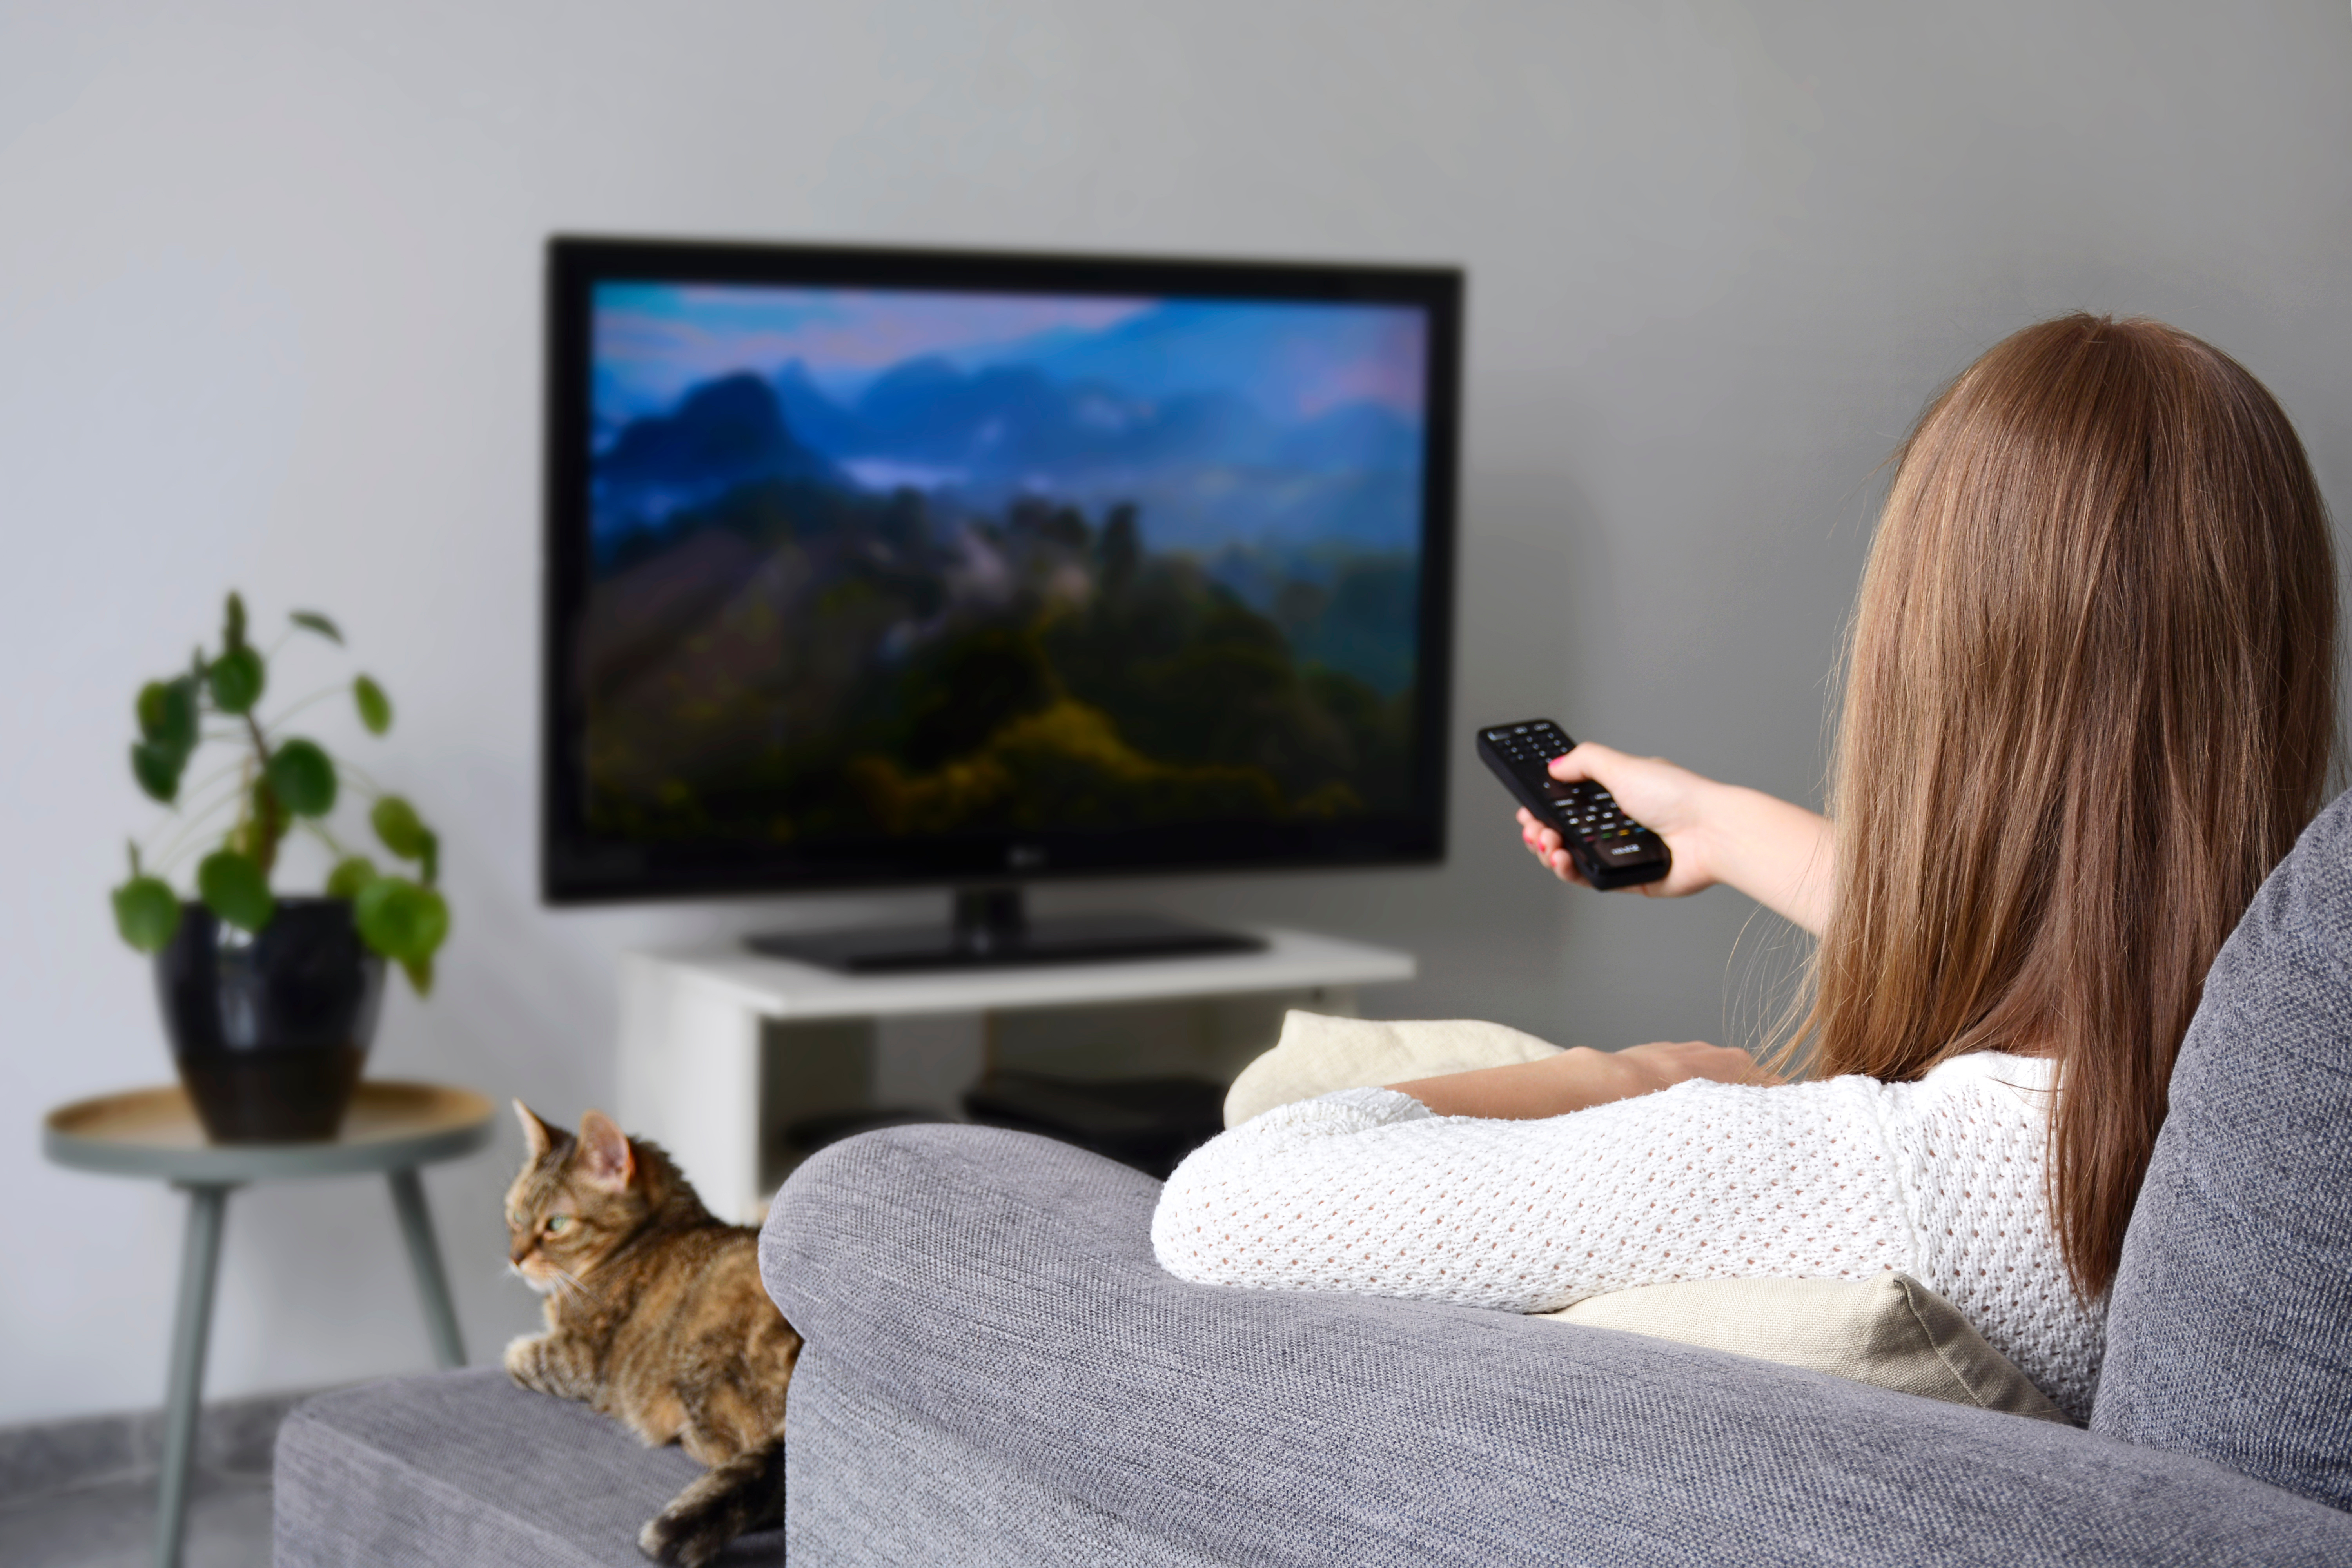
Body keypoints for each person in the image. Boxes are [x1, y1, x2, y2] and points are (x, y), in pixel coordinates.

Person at [1151, 314, 2339, 1423]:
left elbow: (1220, 1208)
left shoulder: (1847, 1174)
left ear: (1918, 679)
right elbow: (2069, 931)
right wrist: (1714, 826)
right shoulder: (2272, 1077)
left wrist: (1631, 1074)